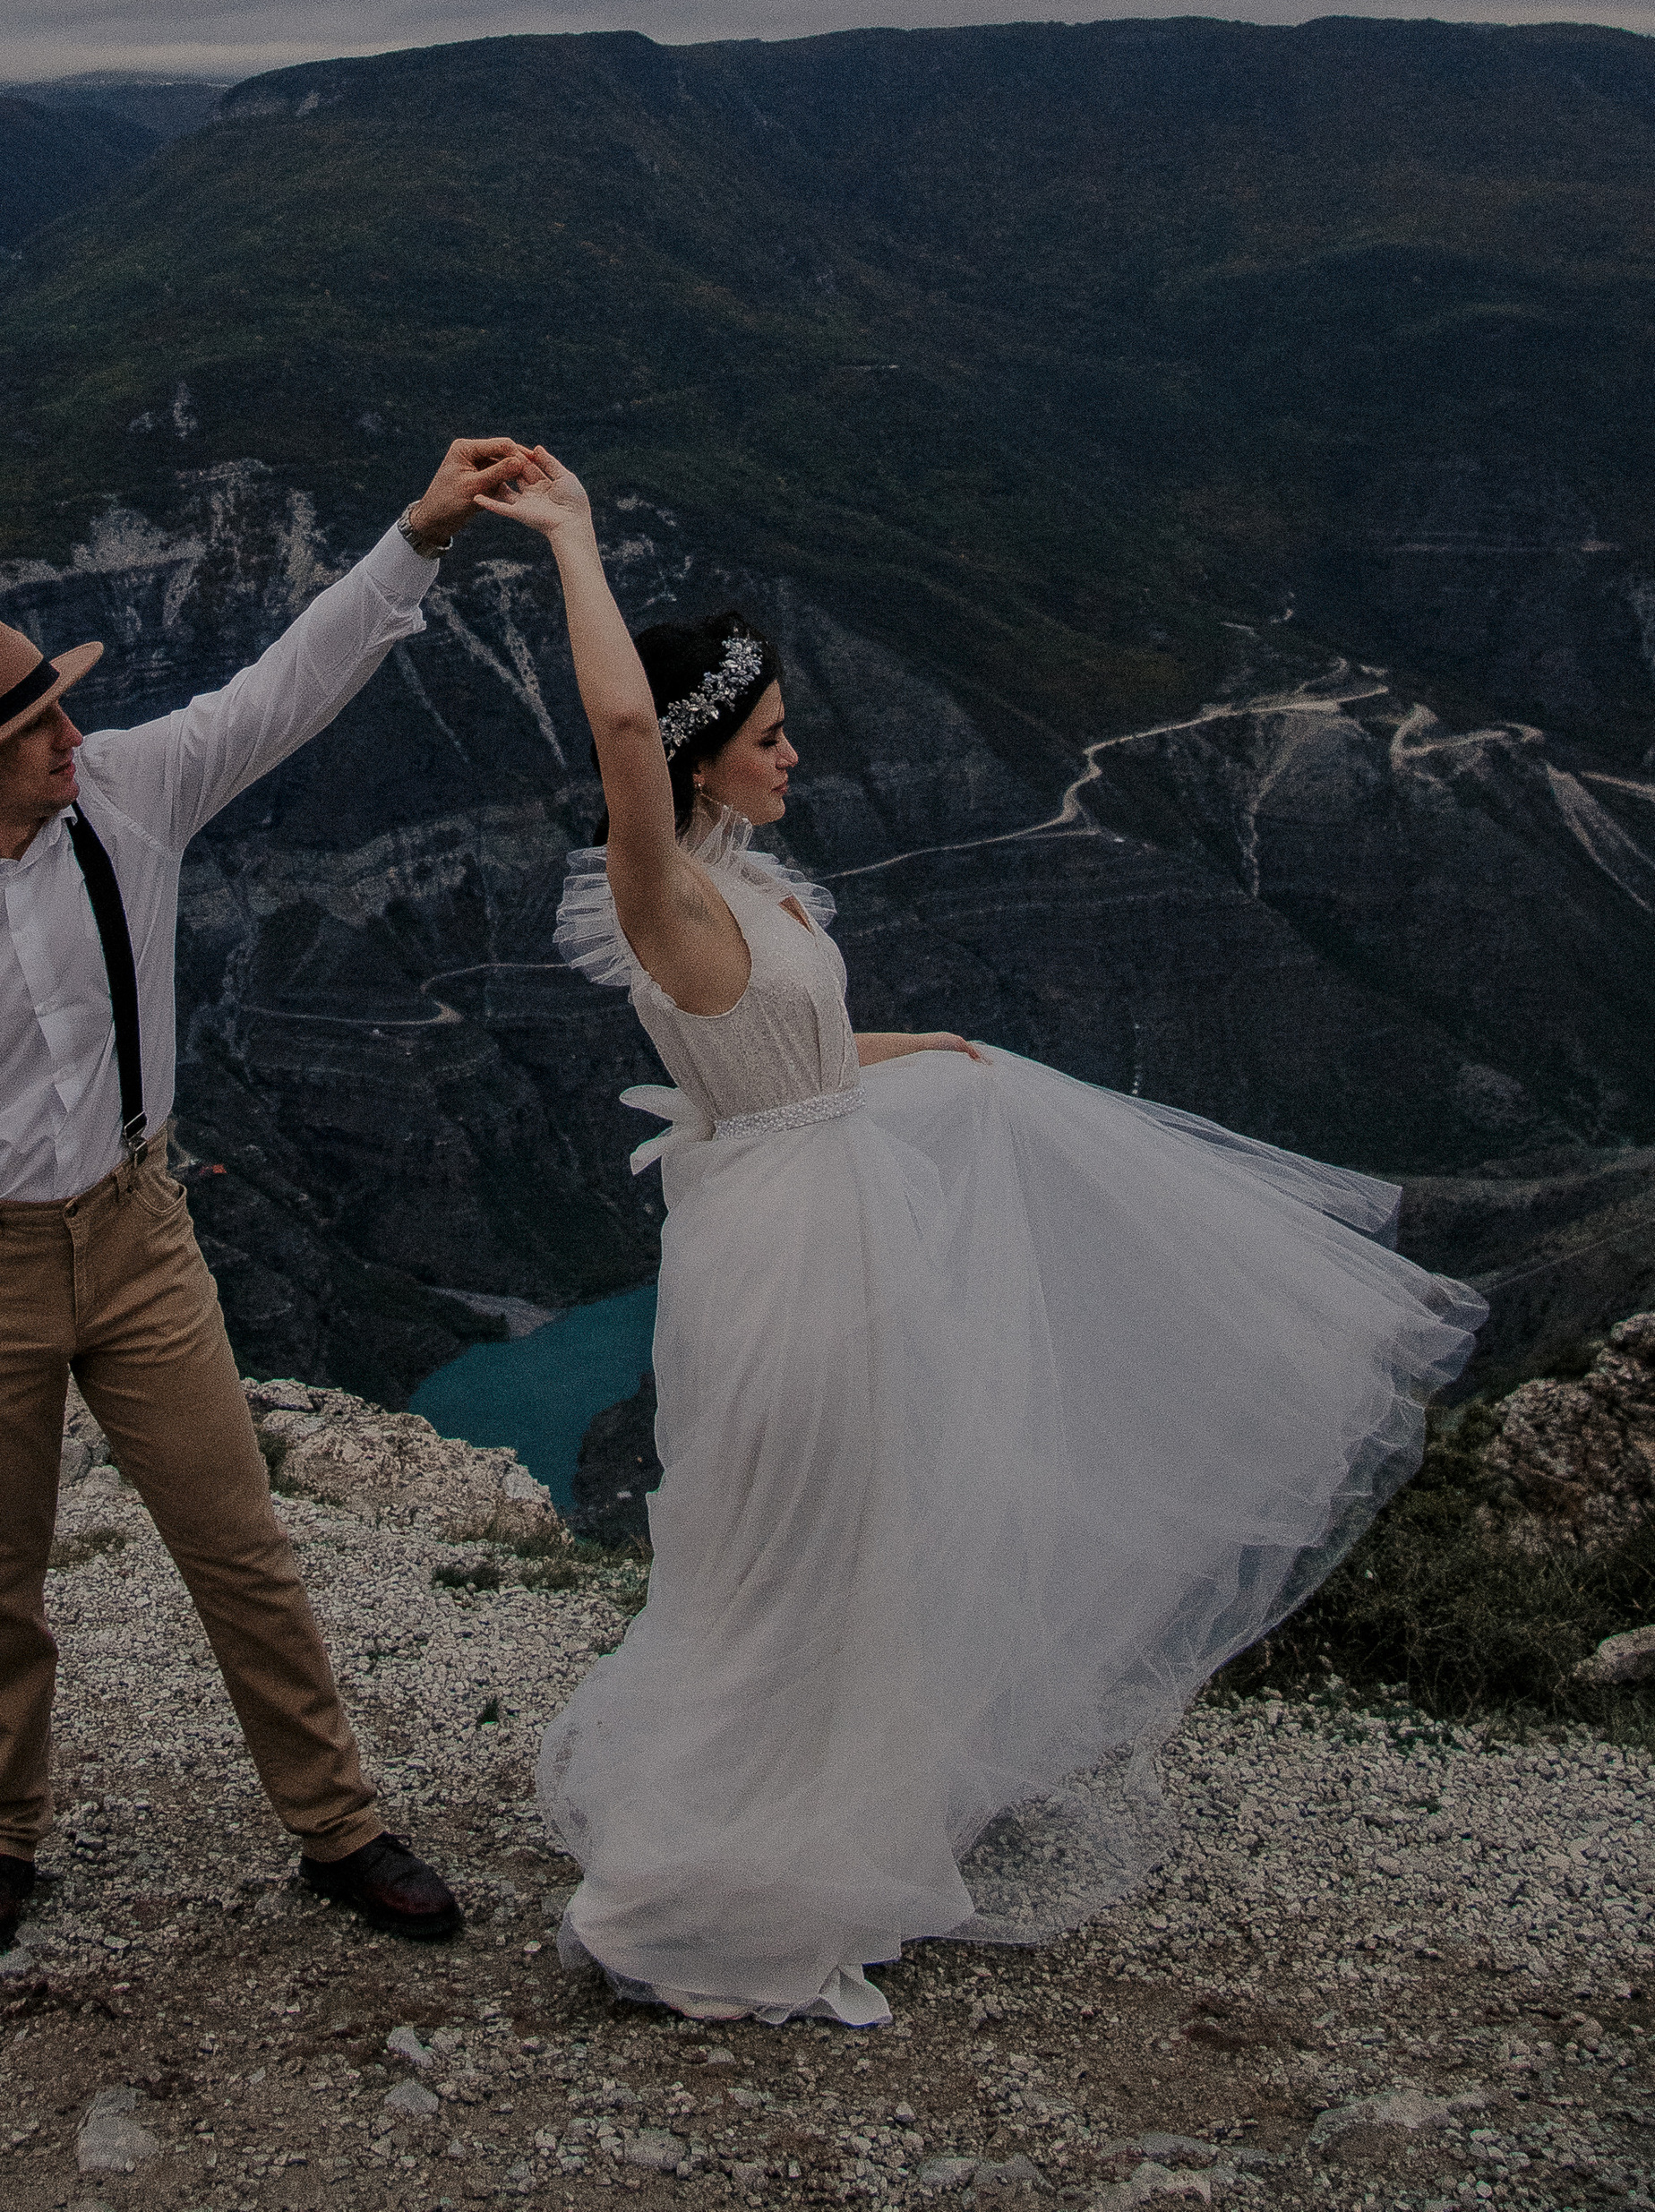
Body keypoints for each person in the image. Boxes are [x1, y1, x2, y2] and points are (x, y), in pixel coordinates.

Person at [475, 447, 1485, 2027]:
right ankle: (695, 1890)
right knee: (797, 1555)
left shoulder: (742, 883)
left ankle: (805, 1825)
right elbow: (617, 725)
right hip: (790, 1265)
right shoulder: (661, 882)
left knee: (847, 1552)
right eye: (768, 735)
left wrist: (934, 1055)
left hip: (828, 1219)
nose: (798, 753)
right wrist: (574, 541)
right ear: (691, 763)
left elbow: (785, 1062)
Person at [0, 436, 531, 1956]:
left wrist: (420, 530)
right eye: (39, 722)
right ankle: (2, 1836)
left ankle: (337, 1826)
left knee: (238, 1541)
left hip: (140, 1235)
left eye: (62, 707)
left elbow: (285, 686)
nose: (73, 731)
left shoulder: (128, 791)